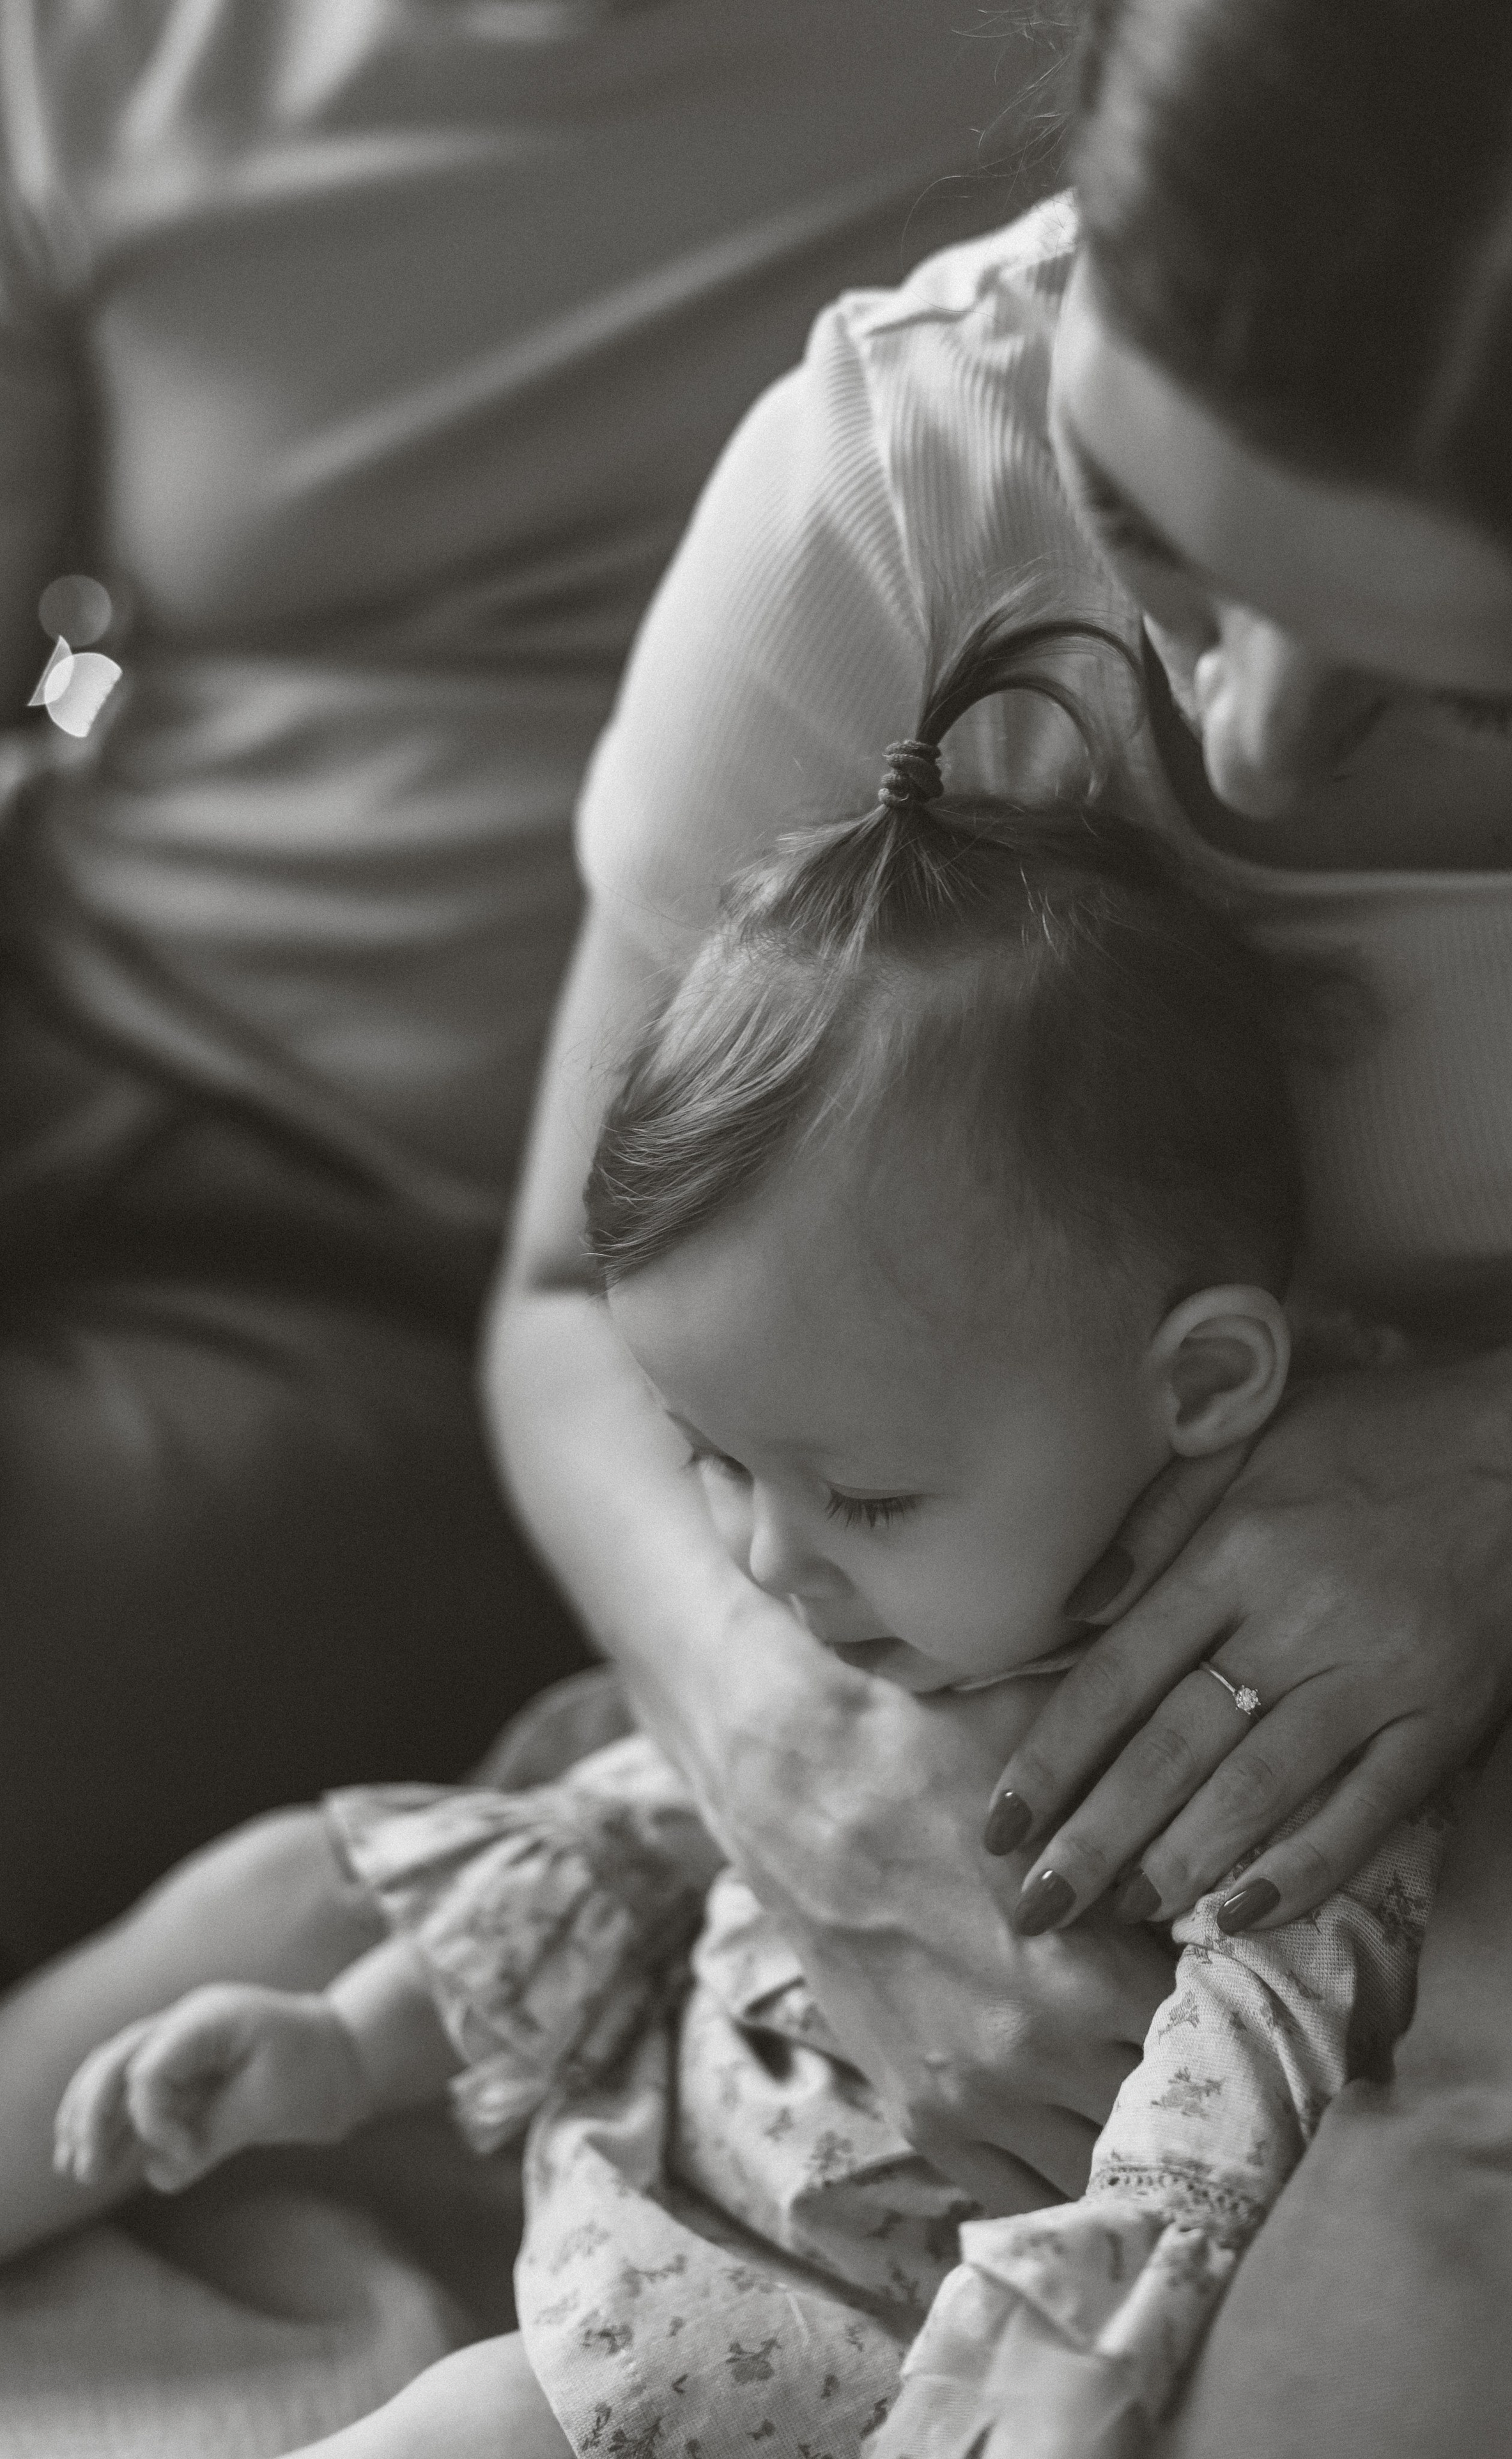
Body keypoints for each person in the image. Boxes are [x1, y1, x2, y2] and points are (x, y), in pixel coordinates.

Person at [477, 2, 1512, 2449]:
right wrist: (811, 1769)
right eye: (1164, 543)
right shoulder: (892, 487)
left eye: (1478, 692)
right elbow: (573, 1304)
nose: (1242, 741)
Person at [45, 622, 1447, 2458]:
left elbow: (1227, 2112)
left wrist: (1051, 2370)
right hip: (643, 2154)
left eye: (863, 1495)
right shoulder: (912, 1600)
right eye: (712, 1461)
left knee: (476, 2425)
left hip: (776, 2330)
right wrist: (350, 2052)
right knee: (311, 1878)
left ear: (1198, 1385)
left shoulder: (1247, 1724)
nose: (771, 1570)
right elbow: (625, 1844)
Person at [0, 0, 1051, 1975]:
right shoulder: (89, 51)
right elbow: (37, 651)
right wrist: (72, 701)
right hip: (69, 981)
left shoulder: (1022, 71)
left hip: (432, 1241)